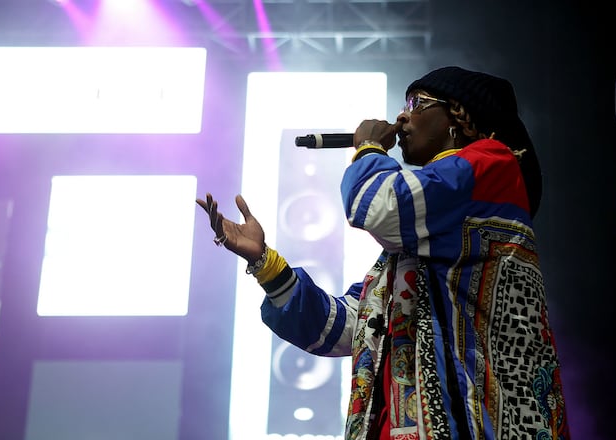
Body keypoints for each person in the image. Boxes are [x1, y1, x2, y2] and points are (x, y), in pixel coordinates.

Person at [197, 66, 570, 440]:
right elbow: (339, 330)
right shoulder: (420, 249)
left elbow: (375, 205)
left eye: (418, 103)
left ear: (462, 117)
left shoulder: (493, 164)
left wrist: (370, 147)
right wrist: (265, 263)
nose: (403, 116)